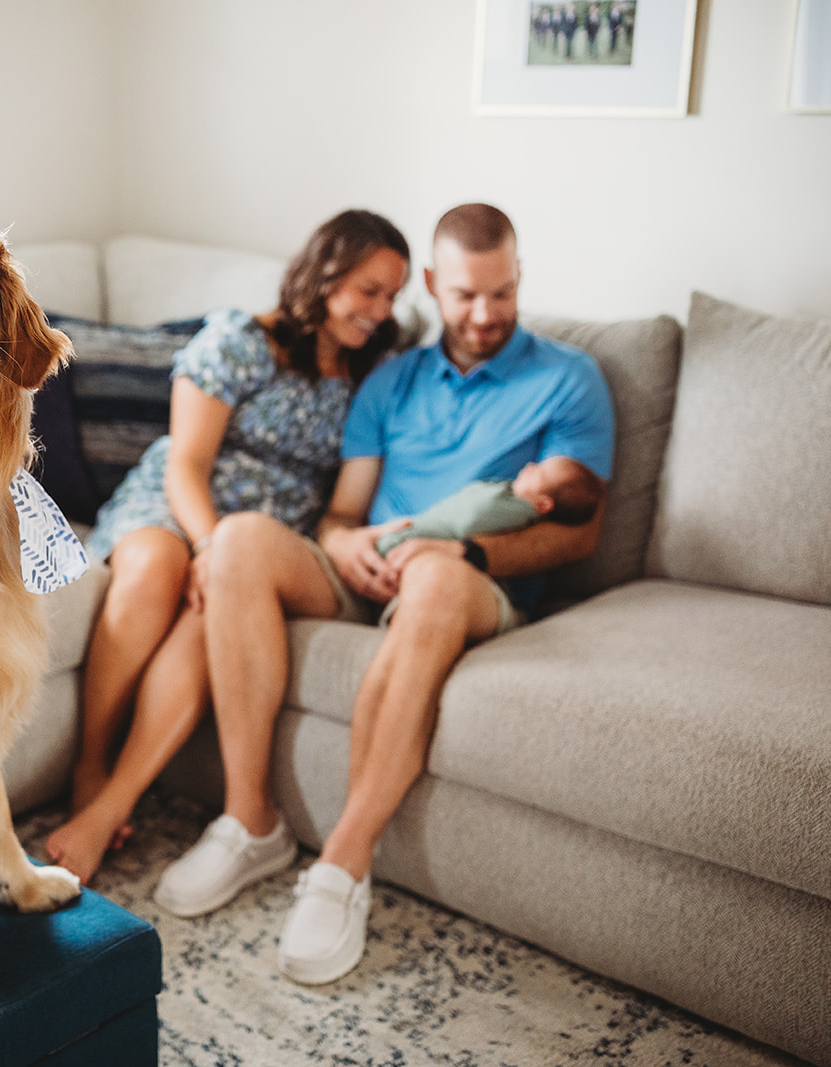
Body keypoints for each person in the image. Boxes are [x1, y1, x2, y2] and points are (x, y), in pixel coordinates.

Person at [156, 203, 613, 988]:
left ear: (518, 279)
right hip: (369, 573)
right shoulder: (391, 378)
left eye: (502, 293)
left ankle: (342, 865)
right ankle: (249, 819)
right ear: (433, 285)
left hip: (472, 581)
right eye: (466, 295)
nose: (485, 313)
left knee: (434, 577)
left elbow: (581, 534)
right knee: (236, 540)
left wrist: (462, 547)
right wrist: (347, 544)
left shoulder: (570, 380)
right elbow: (339, 512)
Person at [43, 209, 412, 885]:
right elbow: (187, 460)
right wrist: (208, 543)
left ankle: (112, 805)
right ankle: (89, 764)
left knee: (208, 613)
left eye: (393, 295)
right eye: (368, 289)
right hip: (181, 501)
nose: (380, 310)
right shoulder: (244, 338)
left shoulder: (371, 375)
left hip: (261, 541)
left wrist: (227, 557)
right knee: (156, 568)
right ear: (326, 273)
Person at [372, 455, 603, 558]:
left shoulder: (519, 512)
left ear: (543, 504)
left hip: (425, 538)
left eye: (538, 471)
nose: (531, 465)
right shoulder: (508, 493)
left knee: (393, 546)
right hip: (415, 526)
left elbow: (470, 519)